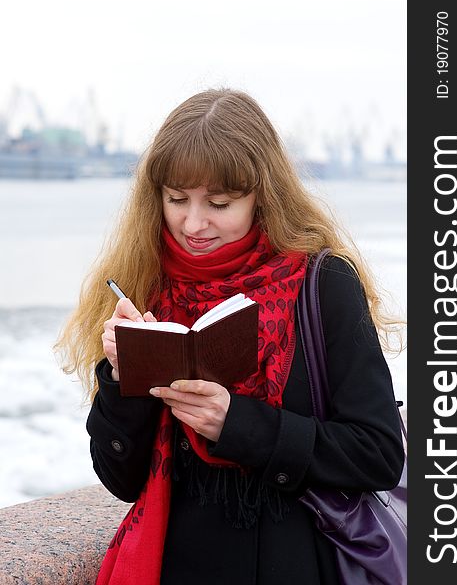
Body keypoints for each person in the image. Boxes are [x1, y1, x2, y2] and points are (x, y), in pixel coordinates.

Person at [55, 88, 405, 585]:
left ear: (260, 196)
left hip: (295, 562)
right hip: (176, 564)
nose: (193, 223)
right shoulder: (146, 282)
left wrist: (239, 424)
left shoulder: (323, 283)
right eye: (176, 199)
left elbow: (379, 454)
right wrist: (120, 373)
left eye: (218, 203)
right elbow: (122, 479)